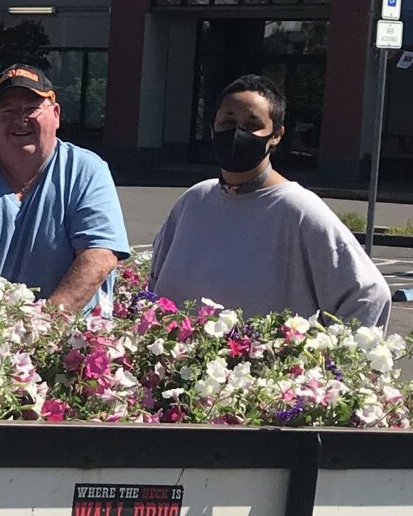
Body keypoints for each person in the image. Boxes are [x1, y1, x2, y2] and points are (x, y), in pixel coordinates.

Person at [146, 74, 391, 327]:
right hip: (182, 363)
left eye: (252, 125)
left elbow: (368, 295)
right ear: (212, 126)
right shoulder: (194, 201)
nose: (236, 133)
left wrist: (325, 360)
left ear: (276, 135)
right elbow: (155, 283)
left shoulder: (298, 210)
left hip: (257, 365)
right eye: (227, 121)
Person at [0, 63, 127, 313]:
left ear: (56, 114)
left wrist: (44, 326)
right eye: (7, 110)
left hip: (67, 338)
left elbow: (99, 256)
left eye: (31, 108)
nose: (20, 120)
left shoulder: (86, 170)